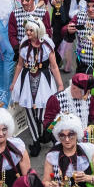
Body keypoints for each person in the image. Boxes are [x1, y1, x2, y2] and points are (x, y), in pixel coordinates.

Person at [11, 16, 63, 154]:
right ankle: (35, 142)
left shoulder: (46, 45)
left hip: (44, 82)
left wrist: (60, 85)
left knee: (43, 114)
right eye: (27, 30)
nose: (28, 33)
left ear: (38, 31)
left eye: (31, 31)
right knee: (29, 113)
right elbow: (20, 65)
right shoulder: (24, 45)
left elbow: (54, 67)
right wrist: (14, 82)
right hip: (27, 81)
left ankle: (51, 137)